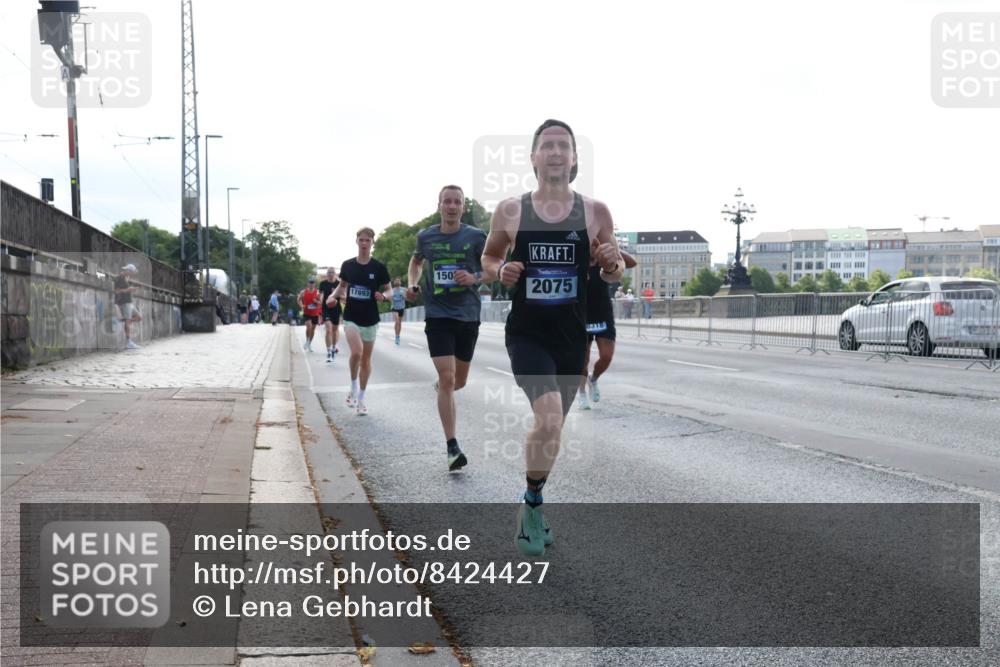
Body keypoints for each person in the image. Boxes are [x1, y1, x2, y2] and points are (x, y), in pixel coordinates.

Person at [481, 119, 622, 556]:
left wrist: (610, 263)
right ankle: (532, 506)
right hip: (527, 334)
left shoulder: (596, 211)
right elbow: (488, 257)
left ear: (575, 157)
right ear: (534, 157)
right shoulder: (511, 210)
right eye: (548, 145)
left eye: (565, 145)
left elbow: (611, 270)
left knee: (554, 427)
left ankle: (533, 499)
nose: (557, 152)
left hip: (570, 337)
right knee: (546, 419)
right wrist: (500, 272)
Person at [407, 184, 488, 471]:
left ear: (463, 207)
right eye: (447, 201)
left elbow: (492, 267)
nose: (452, 206)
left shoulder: (476, 236)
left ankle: (444, 388)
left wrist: (474, 277)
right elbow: (415, 263)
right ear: (439, 205)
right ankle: (452, 446)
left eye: (457, 202)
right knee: (448, 376)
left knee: (458, 382)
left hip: (467, 314)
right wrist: (412, 284)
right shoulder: (426, 236)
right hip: (438, 314)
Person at [330, 227, 391, 416]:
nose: (364, 243)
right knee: (357, 352)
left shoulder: (378, 267)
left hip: (371, 318)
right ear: (356, 241)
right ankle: (353, 385)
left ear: (372, 243)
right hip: (351, 317)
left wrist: (385, 296)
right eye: (361, 240)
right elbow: (342, 287)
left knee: (366, 360)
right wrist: (332, 297)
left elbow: (390, 290)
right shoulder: (348, 266)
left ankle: (361, 399)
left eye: (368, 240)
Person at [578, 251, 637, 410]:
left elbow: (632, 262)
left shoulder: (604, 258)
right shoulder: (577, 254)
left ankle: (594, 379)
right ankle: (582, 393)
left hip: (603, 313)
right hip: (582, 314)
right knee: (582, 360)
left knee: (607, 356)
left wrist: (612, 247)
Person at [114, 263, 142, 350]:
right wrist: (128, 290)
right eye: (132, 272)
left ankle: (124, 320)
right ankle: (129, 342)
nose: (133, 274)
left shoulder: (126, 278)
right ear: (128, 271)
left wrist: (131, 289)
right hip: (124, 302)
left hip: (129, 303)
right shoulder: (120, 278)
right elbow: (116, 291)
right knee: (128, 320)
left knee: (139, 317)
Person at [319, 267, 342, 362]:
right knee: (328, 329)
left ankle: (333, 347)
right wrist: (320, 306)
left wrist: (336, 295)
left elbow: (344, 295)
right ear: (327, 273)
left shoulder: (339, 284)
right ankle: (328, 352)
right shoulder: (323, 283)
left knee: (335, 330)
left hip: (336, 308)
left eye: (332, 272)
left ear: (335, 273)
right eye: (329, 272)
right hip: (326, 308)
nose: (331, 274)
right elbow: (321, 295)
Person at [298, 278, 322, 351]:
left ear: (314, 284)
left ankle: (309, 343)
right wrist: (301, 305)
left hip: (315, 313)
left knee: (313, 329)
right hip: (307, 312)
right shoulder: (303, 292)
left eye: (312, 283)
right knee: (309, 326)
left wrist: (316, 301)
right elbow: (298, 299)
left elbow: (321, 302)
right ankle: (307, 341)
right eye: (310, 283)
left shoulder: (317, 292)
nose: (311, 284)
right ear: (308, 284)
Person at [390, 278, 406, 345]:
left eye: (398, 280)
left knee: (399, 323)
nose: (397, 281)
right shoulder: (392, 290)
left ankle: (398, 337)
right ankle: (396, 336)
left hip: (401, 307)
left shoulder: (404, 289)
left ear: (400, 282)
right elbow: (389, 298)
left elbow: (407, 297)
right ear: (394, 282)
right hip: (394, 308)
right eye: (396, 280)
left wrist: (403, 295)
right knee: (397, 321)